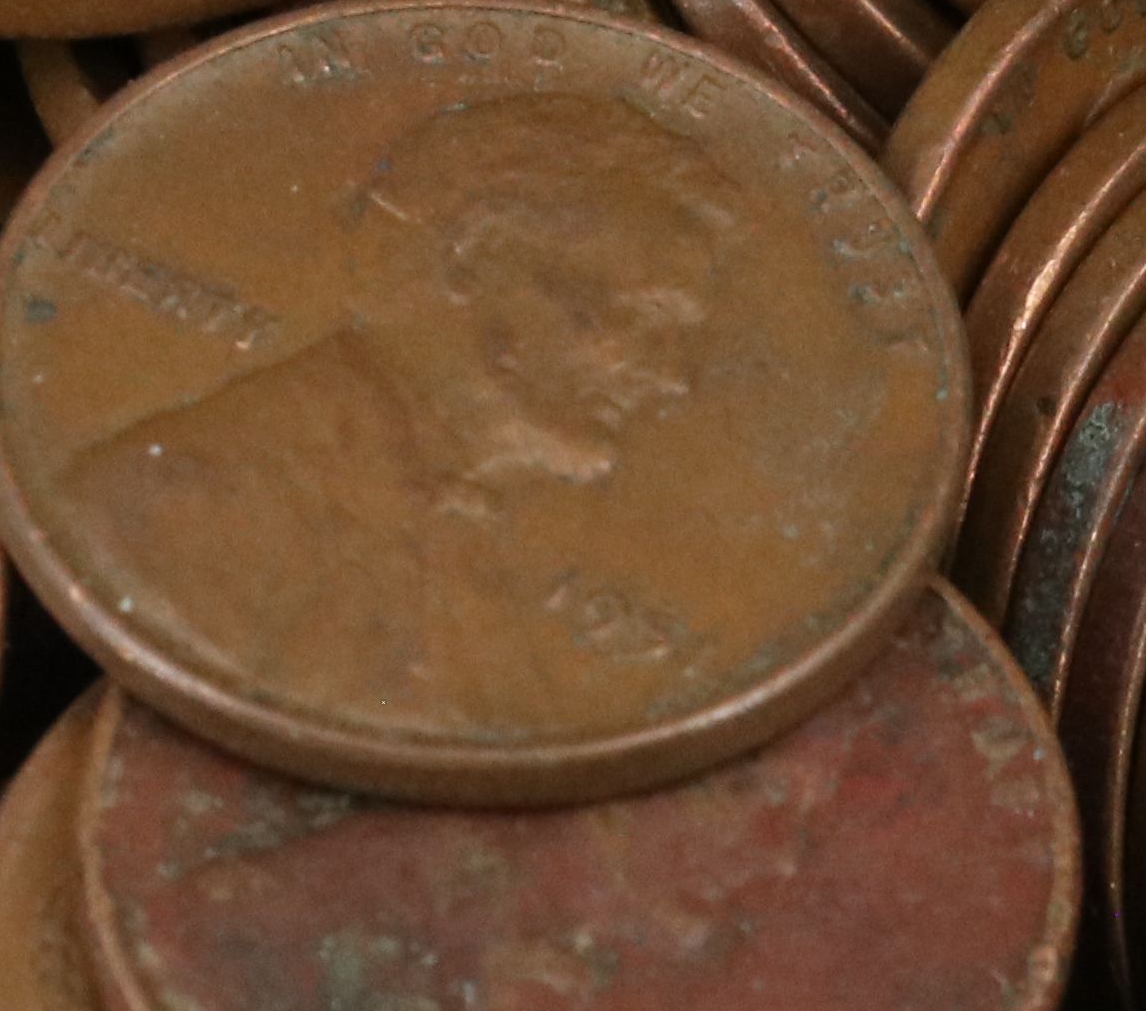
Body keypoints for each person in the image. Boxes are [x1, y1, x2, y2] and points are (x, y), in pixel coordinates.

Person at [53, 88, 737, 743]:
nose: (672, 380)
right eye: (641, 317)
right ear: (476, 256)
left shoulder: (472, 539)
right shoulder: (183, 501)